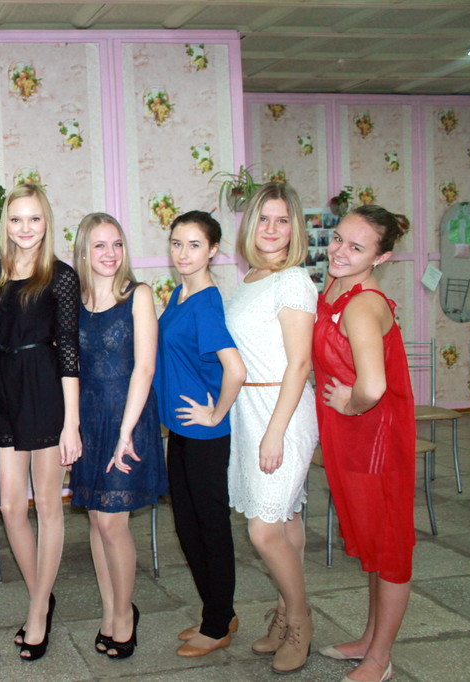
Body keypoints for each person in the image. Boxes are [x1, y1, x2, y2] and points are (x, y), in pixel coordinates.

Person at [313, 205, 415, 682]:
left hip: (375, 440)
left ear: (381, 257)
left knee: (389, 548)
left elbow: (372, 387)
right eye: (338, 238)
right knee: (374, 542)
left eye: (356, 247)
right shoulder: (336, 287)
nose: (339, 251)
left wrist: (349, 404)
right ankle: (371, 639)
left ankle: (380, 659)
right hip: (350, 439)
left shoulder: (362, 304)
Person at [0, 183, 81, 662]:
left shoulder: (60, 277)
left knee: (48, 505)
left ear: (46, 222)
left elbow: (70, 350)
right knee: (10, 507)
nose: (25, 228)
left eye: (34, 219)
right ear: (6, 224)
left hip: (44, 389)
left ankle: (38, 609)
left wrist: (71, 423)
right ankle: (43, 592)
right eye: (17, 219)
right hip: (3, 392)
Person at [225, 183, 318, 673]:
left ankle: (300, 620)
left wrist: (276, 432)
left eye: (282, 221)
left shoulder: (294, 281)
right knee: (286, 522)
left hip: (282, 410)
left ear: (294, 228)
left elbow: (300, 363)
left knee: (263, 530)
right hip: (250, 408)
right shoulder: (251, 278)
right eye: (264, 218)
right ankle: (283, 614)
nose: (272, 229)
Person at [69, 213, 167, 660]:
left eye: (117, 244)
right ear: (83, 252)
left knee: (113, 522)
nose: (110, 254)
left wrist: (126, 432)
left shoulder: (138, 295)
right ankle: (110, 609)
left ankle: (125, 614)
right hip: (89, 421)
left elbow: (144, 367)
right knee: (95, 518)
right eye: (99, 245)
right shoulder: (75, 300)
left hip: (128, 418)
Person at [154, 210, 247, 658]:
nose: (183, 253)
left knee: (209, 528)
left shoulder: (206, 302)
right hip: (181, 431)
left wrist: (216, 414)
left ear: (212, 250)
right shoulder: (179, 293)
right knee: (187, 527)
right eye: (177, 243)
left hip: (204, 436)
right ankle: (219, 610)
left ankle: (217, 625)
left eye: (194, 245)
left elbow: (236, 369)